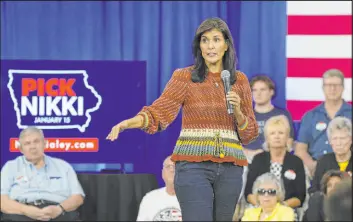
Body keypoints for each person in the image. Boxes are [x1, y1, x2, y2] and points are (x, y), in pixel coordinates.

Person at [107, 17, 258, 221]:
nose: (210, 46)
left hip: (231, 169)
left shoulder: (239, 80)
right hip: (193, 166)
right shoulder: (185, 77)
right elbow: (160, 112)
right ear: (199, 46)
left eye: (216, 40)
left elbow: (249, 135)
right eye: (205, 40)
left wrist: (239, 113)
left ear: (226, 45)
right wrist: (129, 123)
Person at [0, 127, 85, 221]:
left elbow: (78, 197)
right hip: (21, 213)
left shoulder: (63, 166)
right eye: (27, 143)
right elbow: (2, 201)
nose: (33, 147)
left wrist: (59, 208)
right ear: (21, 149)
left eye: (36, 141)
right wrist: (26, 210)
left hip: (58, 213)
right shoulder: (10, 167)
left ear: (44, 144)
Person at [295, 69, 352, 178]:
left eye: (336, 85)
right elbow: (300, 149)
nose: (332, 89)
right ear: (323, 88)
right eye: (328, 85)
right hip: (315, 167)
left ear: (343, 88)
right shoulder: (310, 116)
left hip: (346, 167)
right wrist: (312, 166)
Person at [244, 115, 306, 213]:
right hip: (259, 210)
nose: (277, 136)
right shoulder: (258, 159)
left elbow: (300, 197)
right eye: (272, 133)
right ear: (267, 138)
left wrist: (280, 208)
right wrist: (263, 206)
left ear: (287, 137)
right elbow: (248, 193)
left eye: (281, 133)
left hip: (286, 211)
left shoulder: (296, 162)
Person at [244, 75, 295, 161]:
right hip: (246, 160)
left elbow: (289, 144)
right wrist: (250, 154)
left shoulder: (282, 115)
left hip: (275, 160)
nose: (258, 94)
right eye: (254, 90)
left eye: (262, 90)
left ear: (271, 92)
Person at [310, 116, 352, 193]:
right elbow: (314, 190)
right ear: (330, 141)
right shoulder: (323, 162)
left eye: (342, 138)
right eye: (335, 139)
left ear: (351, 140)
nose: (338, 143)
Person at [137, 156, 181, 221]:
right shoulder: (149, 199)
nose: (172, 170)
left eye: (175, 167)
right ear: (163, 173)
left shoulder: (197, 200)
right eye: (168, 167)